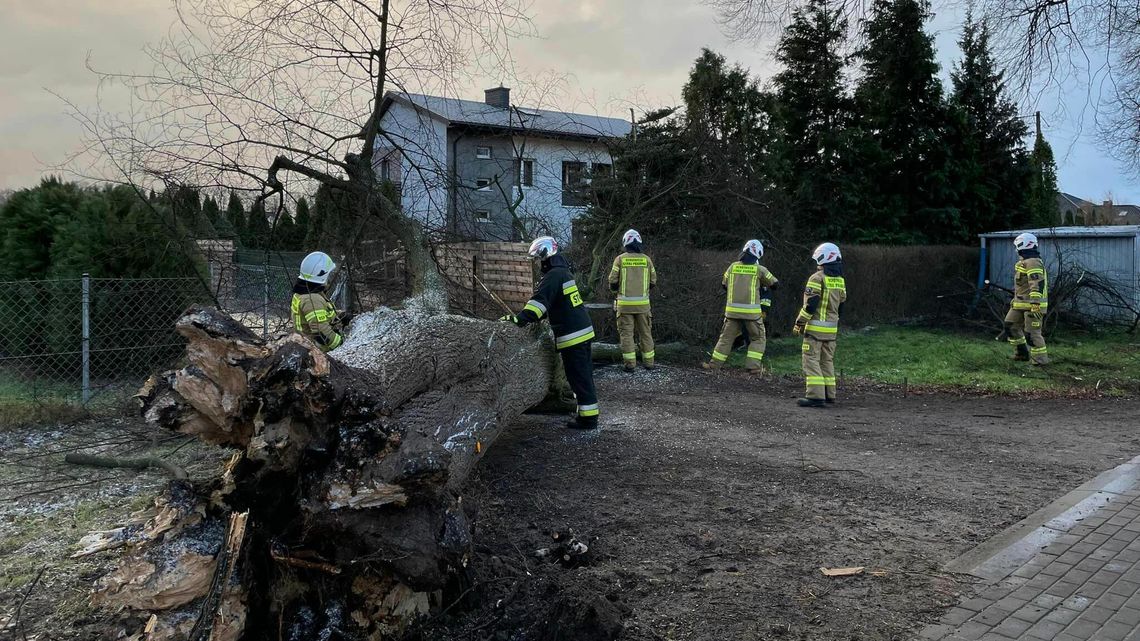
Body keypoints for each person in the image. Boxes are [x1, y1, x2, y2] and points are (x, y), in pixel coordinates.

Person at [504, 236, 599, 429]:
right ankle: (586, 415)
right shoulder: (563, 272)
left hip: (573, 335)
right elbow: (552, 305)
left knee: (578, 378)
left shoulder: (552, 276)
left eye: (539, 260)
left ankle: (588, 420)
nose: (539, 264)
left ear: (546, 257)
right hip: (582, 331)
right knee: (583, 376)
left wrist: (519, 319)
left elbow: (538, 304)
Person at [703, 239, 778, 374]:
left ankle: (714, 366)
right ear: (759, 253)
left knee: (725, 339)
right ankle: (753, 367)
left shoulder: (732, 267)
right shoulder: (759, 269)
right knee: (758, 338)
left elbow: (724, 285)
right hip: (752, 314)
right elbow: (775, 284)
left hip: (732, 313)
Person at [792, 242, 847, 407]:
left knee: (811, 361)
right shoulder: (840, 280)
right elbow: (841, 306)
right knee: (827, 361)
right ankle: (830, 394)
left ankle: (815, 396)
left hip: (815, 330)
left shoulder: (816, 278)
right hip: (831, 330)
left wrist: (799, 323)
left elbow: (810, 305)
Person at [608, 229, 658, 372]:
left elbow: (612, 281)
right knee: (646, 334)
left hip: (624, 307)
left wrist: (615, 291)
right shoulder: (647, 259)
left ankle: (630, 365)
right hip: (643, 306)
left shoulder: (620, 259)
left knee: (626, 335)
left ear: (625, 243)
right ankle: (649, 363)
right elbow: (653, 281)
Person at [1005, 232, 1049, 365]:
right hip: (1020, 303)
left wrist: (1035, 303)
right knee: (1010, 326)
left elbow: (1036, 283)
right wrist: (1015, 300)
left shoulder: (1033, 262)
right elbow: (1022, 286)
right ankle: (1022, 353)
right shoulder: (1024, 262)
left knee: (1032, 334)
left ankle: (1040, 361)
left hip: (1033, 305)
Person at [291, 251, 349, 352]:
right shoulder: (311, 299)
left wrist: (340, 315)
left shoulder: (308, 293)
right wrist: (342, 344)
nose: (329, 278)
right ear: (321, 275)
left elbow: (320, 315)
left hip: (309, 346)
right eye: (328, 274)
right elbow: (321, 334)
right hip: (318, 352)